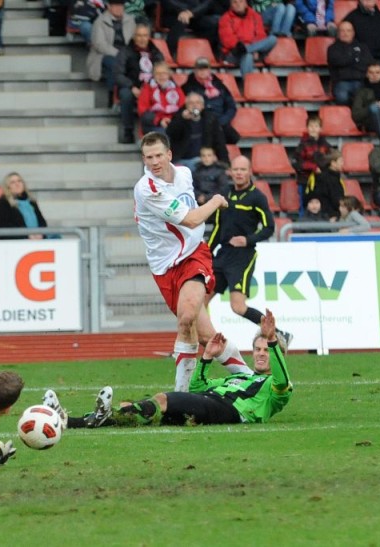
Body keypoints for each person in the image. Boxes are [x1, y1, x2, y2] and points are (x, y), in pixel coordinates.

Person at [134, 132, 253, 392]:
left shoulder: (185, 174)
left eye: (158, 155)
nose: (154, 162)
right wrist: (216, 200)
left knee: (186, 316)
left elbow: (191, 222)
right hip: (164, 266)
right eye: (148, 157)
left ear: (169, 155)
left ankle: (180, 394)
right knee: (207, 335)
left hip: (194, 254)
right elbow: (191, 219)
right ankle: (250, 377)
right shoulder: (147, 188)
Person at [45, 310, 291, 429]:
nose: (260, 353)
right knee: (144, 413)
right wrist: (205, 357)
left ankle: (89, 419)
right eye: (257, 349)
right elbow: (197, 387)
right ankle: (70, 421)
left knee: (164, 399)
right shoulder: (239, 377)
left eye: (265, 350)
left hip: (229, 411)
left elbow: (281, 377)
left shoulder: (277, 389)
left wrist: (272, 340)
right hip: (209, 402)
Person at [206, 156, 293, 346]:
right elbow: (218, 227)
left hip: (243, 256)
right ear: (230, 171)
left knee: (237, 306)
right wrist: (207, 251)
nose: (238, 173)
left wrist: (247, 240)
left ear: (249, 172)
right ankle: (198, 344)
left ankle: (279, 334)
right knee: (199, 303)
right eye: (235, 169)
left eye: (242, 169)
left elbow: (269, 227)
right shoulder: (224, 194)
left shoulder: (257, 197)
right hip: (223, 255)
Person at [113, 22, 164, 144]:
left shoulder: (156, 52)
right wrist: (132, 87)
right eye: (139, 36)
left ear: (149, 36)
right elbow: (118, 75)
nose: (142, 39)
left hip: (152, 87)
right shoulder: (125, 51)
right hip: (132, 87)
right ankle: (128, 131)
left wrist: (150, 88)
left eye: (145, 35)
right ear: (134, 37)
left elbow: (163, 71)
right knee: (126, 95)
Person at [180, 57, 240, 145]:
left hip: (220, 122)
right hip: (200, 123)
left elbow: (231, 107)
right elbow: (183, 108)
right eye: (200, 69)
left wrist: (222, 121)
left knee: (234, 137)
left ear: (209, 70)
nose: (203, 71)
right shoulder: (187, 87)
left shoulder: (219, 85)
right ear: (195, 70)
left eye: (205, 68)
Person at [86, 0, 135, 103]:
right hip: (104, 55)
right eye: (116, 6)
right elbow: (100, 45)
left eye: (121, 5)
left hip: (126, 54)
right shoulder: (100, 22)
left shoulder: (130, 20)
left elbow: (133, 40)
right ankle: (112, 96)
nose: (119, 8)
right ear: (109, 7)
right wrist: (119, 54)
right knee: (114, 63)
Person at [166, 92, 229, 172]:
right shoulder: (179, 117)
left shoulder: (210, 119)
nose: (194, 105)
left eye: (197, 103)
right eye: (191, 103)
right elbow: (171, 133)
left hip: (202, 160)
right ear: (186, 106)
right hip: (180, 160)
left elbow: (219, 142)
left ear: (202, 106)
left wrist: (225, 164)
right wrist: (182, 119)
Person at [218, 0, 277, 76]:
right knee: (248, 55)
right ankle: (248, 85)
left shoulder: (255, 16)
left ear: (246, 4)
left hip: (254, 51)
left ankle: (248, 50)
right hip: (233, 53)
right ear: (231, 5)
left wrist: (252, 49)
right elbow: (227, 40)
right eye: (235, 2)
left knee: (273, 39)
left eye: (241, 2)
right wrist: (246, 48)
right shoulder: (225, 18)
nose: (238, 5)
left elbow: (260, 34)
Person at [327, 21, 374, 105]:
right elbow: (339, 62)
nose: (346, 33)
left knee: (366, 97)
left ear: (353, 33)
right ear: (338, 33)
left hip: (360, 81)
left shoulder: (363, 47)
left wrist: (349, 60)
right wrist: (355, 58)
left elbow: (368, 62)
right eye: (342, 31)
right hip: (341, 82)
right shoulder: (332, 48)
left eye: (348, 31)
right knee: (342, 97)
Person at [0, 172, 49, 239]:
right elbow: (2, 227)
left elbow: (42, 222)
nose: (17, 184)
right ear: (8, 187)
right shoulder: (2, 204)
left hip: (37, 238)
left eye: (19, 181)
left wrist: (41, 234)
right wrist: (27, 236)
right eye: (13, 182)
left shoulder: (32, 202)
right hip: (17, 241)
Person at [292, 115, 332, 208]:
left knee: (321, 206)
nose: (313, 129)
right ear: (307, 128)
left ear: (320, 128)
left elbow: (330, 158)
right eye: (311, 126)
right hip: (305, 181)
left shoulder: (325, 144)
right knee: (305, 206)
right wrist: (313, 167)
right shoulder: (302, 144)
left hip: (321, 181)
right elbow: (296, 163)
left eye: (316, 126)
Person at [159, 0, 224, 56]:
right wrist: (184, 11)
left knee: (216, 22)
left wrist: (191, 13)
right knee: (182, 20)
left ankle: (210, 54)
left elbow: (207, 3)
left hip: (194, 14)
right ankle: (171, 54)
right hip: (174, 14)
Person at [137, 62, 185, 136]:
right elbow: (143, 112)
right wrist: (160, 120)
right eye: (158, 73)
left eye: (164, 73)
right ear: (154, 76)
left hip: (173, 121)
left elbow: (182, 107)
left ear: (169, 75)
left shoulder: (176, 88)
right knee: (164, 134)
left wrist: (172, 120)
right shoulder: (147, 88)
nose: (161, 76)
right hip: (154, 124)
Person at [304, 150, 346, 220]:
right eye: (341, 161)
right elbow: (335, 200)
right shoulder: (329, 179)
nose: (343, 163)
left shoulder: (331, 177)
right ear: (333, 163)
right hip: (330, 217)